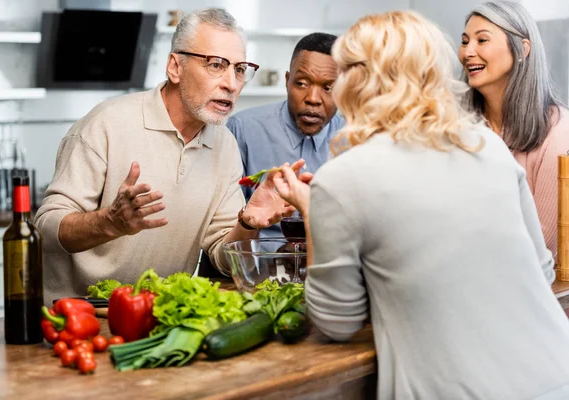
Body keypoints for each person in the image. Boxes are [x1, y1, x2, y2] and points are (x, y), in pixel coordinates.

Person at [270, 10, 569, 400]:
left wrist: (311, 210)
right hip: (555, 372)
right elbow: (542, 270)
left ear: (357, 80)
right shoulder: (488, 146)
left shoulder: (342, 178)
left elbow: (336, 321)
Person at [34, 8, 301, 304]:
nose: (232, 83)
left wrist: (248, 223)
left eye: (240, 69)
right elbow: (46, 229)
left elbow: (224, 259)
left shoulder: (224, 144)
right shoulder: (106, 123)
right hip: (79, 314)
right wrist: (110, 222)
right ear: (175, 67)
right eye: (216, 65)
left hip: (159, 313)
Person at [459, 1, 569, 260]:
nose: (468, 52)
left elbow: (542, 243)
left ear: (522, 49)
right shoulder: (456, 124)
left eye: (482, 40)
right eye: (464, 41)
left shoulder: (558, 130)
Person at [226, 32, 344, 237]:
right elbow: (224, 225)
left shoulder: (355, 140)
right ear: (287, 81)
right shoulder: (243, 129)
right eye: (302, 83)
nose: (313, 99)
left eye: (328, 87)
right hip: (258, 263)